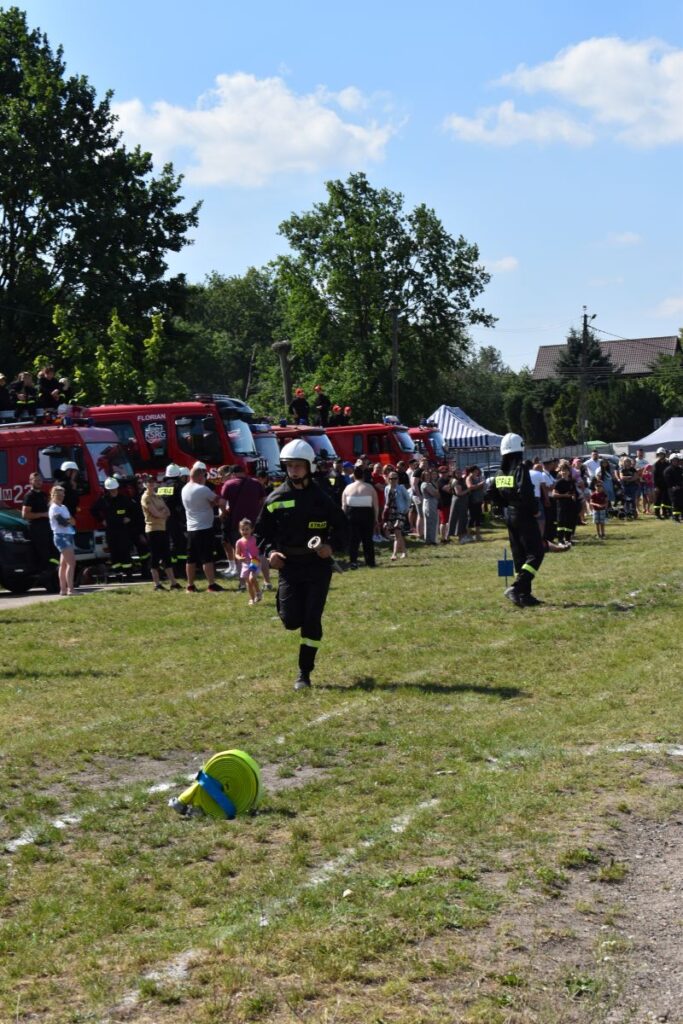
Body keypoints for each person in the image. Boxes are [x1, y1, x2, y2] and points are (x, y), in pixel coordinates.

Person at [254, 439, 348, 691]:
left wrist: (332, 545)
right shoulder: (274, 498)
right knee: (291, 620)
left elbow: (343, 527)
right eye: (289, 466)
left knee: (311, 619)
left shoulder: (323, 498)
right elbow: (261, 533)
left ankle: (304, 673)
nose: (293, 470)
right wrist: (270, 552)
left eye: (298, 466)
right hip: (289, 567)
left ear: (309, 467)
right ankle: (286, 609)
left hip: (317, 567)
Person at [487, 433, 544, 607]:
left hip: (510, 515)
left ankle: (525, 595)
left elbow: (491, 493)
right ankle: (517, 588)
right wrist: (534, 511)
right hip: (524, 514)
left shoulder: (500, 472)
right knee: (536, 553)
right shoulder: (520, 468)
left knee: (520, 555)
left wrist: (504, 506)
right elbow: (526, 493)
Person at [181, 462, 225, 592]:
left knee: (191, 558)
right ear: (201, 477)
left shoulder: (185, 488)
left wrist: (209, 505)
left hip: (191, 528)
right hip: (204, 528)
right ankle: (211, 584)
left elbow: (202, 504)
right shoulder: (202, 489)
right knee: (207, 558)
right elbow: (219, 501)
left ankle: (190, 585)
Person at [140, 475, 181, 591]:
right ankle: (156, 584)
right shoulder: (145, 497)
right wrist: (161, 513)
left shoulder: (158, 496)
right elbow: (156, 513)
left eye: (152, 482)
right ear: (144, 484)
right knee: (155, 557)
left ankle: (173, 583)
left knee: (167, 556)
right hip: (152, 530)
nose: (151, 484)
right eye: (148, 482)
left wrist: (161, 513)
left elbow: (167, 511)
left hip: (162, 528)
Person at [91, 477, 135, 580]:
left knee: (124, 550)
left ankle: (128, 573)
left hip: (123, 529)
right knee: (114, 551)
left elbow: (134, 509)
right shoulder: (103, 500)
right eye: (111, 490)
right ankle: (118, 573)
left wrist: (129, 517)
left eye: (115, 489)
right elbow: (93, 510)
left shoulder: (124, 499)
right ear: (108, 490)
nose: (113, 492)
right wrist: (101, 520)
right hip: (111, 529)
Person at [341, 464, 378, 569]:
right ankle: (370, 562)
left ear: (354, 476)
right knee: (367, 539)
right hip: (367, 514)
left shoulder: (347, 488)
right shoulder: (369, 487)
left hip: (352, 514)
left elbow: (343, 506)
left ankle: (353, 561)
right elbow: (375, 505)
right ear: (363, 476)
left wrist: (344, 519)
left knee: (353, 540)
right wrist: (376, 518)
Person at [21, 471, 59, 573]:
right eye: (36, 480)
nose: (39, 482)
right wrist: (42, 514)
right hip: (36, 530)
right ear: (31, 482)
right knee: (44, 555)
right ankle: (45, 577)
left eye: (40, 480)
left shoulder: (43, 494)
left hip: (47, 528)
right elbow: (25, 515)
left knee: (54, 552)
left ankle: (55, 576)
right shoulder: (29, 496)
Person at [48, 484, 77, 595]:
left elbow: (73, 522)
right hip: (61, 536)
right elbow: (64, 523)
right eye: (58, 494)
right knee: (72, 563)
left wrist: (68, 520)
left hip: (68, 535)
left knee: (64, 565)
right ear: (53, 495)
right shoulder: (53, 508)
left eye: (62, 494)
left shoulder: (63, 507)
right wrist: (68, 520)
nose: (60, 496)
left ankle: (63, 590)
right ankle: (71, 589)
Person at [384, 469, 411, 560]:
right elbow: (386, 502)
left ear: (398, 479)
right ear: (388, 479)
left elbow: (408, 499)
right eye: (391, 478)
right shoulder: (387, 488)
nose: (393, 480)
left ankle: (394, 554)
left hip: (400, 512)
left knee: (397, 531)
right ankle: (404, 552)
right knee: (398, 534)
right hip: (391, 512)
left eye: (395, 478)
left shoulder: (401, 488)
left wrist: (405, 510)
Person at [235, 518, 262, 605]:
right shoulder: (239, 542)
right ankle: (252, 599)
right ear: (239, 530)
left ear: (251, 529)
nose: (245, 531)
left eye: (247, 529)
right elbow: (236, 554)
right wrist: (239, 558)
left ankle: (258, 592)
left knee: (252, 578)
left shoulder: (254, 539)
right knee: (249, 583)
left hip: (254, 561)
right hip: (245, 564)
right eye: (242, 529)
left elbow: (260, 548)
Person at [465, 465, 486, 542]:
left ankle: (478, 535)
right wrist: (480, 484)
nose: (477, 472)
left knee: (478, 518)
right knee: (471, 518)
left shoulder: (478, 478)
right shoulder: (469, 478)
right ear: (472, 471)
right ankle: (468, 535)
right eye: (476, 471)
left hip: (479, 500)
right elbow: (470, 487)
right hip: (472, 501)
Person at [421, 467, 439, 545]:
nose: (428, 477)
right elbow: (434, 493)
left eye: (429, 475)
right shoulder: (425, 484)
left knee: (432, 521)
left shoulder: (430, 483)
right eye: (426, 475)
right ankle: (430, 540)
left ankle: (431, 539)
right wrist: (436, 491)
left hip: (432, 502)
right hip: (429, 503)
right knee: (430, 521)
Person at [663, 452, 683, 523]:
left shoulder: (680, 469)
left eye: (677, 460)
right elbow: (667, 481)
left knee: (681, 502)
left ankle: (680, 517)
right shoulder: (668, 470)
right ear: (671, 461)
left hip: (680, 489)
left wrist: (680, 485)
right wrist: (673, 486)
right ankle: (675, 518)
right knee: (675, 503)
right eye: (674, 460)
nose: (676, 462)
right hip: (672, 490)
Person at [652, 448, 670, 519]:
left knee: (665, 500)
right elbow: (654, 477)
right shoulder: (656, 465)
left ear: (664, 455)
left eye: (662, 454)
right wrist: (655, 486)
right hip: (658, 485)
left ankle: (665, 513)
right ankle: (657, 514)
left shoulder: (667, 464)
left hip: (666, 485)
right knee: (658, 500)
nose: (661, 455)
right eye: (659, 454)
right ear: (658, 455)